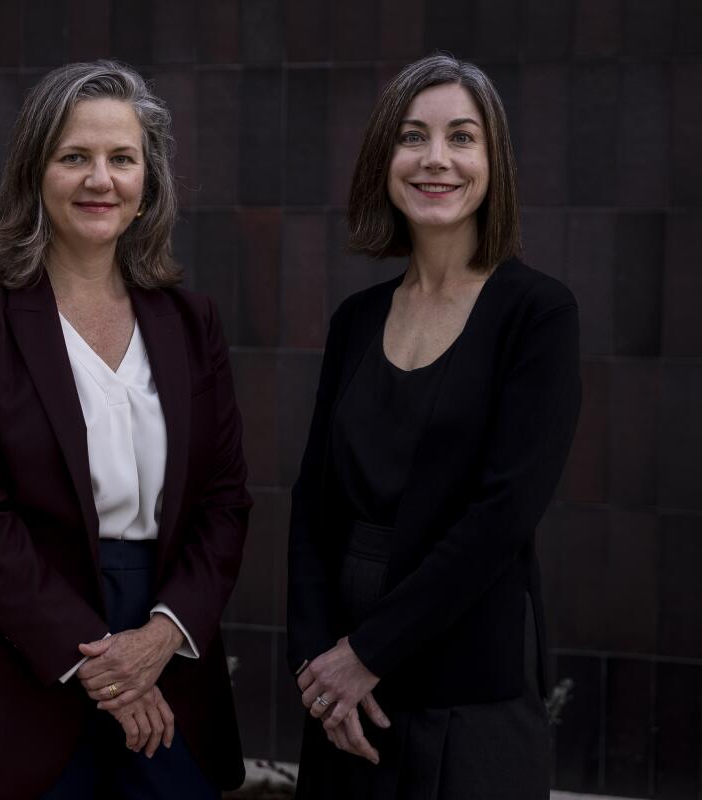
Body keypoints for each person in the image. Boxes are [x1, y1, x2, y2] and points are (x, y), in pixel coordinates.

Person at [0, 60, 251, 799]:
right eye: (75, 157)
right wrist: (106, 667)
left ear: (146, 184)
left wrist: (161, 637)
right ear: (36, 174)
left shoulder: (192, 325)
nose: (100, 178)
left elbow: (226, 501)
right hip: (21, 662)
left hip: (173, 661)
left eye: (121, 159)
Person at [286, 53, 581, 798]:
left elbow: (502, 514)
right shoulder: (355, 321)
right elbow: (312, 507)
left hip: (465, 680)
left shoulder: (537, 314)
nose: (436, 160)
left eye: (462, 137)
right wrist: (323, 661)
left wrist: (368, 653)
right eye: (413, 137)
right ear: (385, 159)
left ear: (494, 162)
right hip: (344, 692)